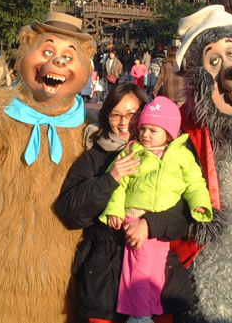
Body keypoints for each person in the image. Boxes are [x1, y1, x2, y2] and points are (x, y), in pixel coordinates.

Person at [55, 84, 193, 323]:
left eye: (132, 114)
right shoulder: (94, 157)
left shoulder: (172, 157)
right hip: (105, 278)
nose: (123, 123)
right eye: (115, 115)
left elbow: (184, 216)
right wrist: (110, 179)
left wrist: (150, 224)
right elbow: (70, 212)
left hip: (155, 278)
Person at [99, 96, 212, 323]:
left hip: (160, 225)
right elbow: (119, 184)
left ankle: (149, 309)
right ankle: (138, 314)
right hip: (135, 217)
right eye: (143, 128)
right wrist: (115, 210)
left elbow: (195, 182)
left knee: (156, 269)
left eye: (153, 130)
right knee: (139, 269)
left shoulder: (181, 155)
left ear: (168, 134)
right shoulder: (134, 152)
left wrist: (199, 202)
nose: (145, 135)